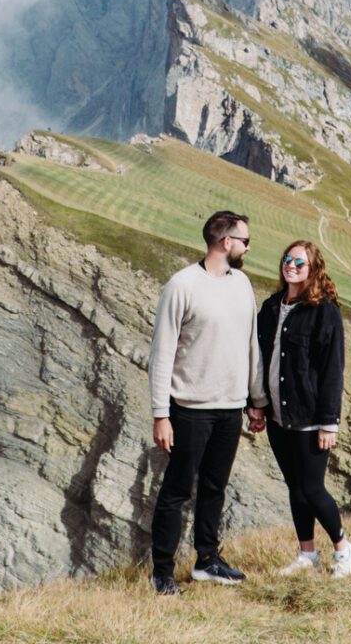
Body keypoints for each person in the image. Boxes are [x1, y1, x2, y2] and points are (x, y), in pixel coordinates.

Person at [148, 210, 267, 596]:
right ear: (226, 242)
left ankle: (207, 561)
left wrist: (256, 400)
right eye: (245, 240)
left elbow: (251, 345)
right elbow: (162, 354)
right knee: (177, 491)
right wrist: (161, 415)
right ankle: (162, 573)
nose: (249, 247)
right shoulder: (182, 285)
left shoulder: (242, 283)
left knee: (215, 487)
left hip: (230, 408)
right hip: (190, 410)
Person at [257, 239, 351, 579]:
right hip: (278, 417)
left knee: (312, 489)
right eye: (287, 260)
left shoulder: (323, 310)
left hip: (310, 417)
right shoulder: (271, 307)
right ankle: (307, 554)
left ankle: (343, 548)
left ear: (313, 269)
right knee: (295, 488)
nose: (292, 267)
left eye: (300, 263)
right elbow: (258, 359)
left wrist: (330, 422)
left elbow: (332, 369)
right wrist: (255, 405)